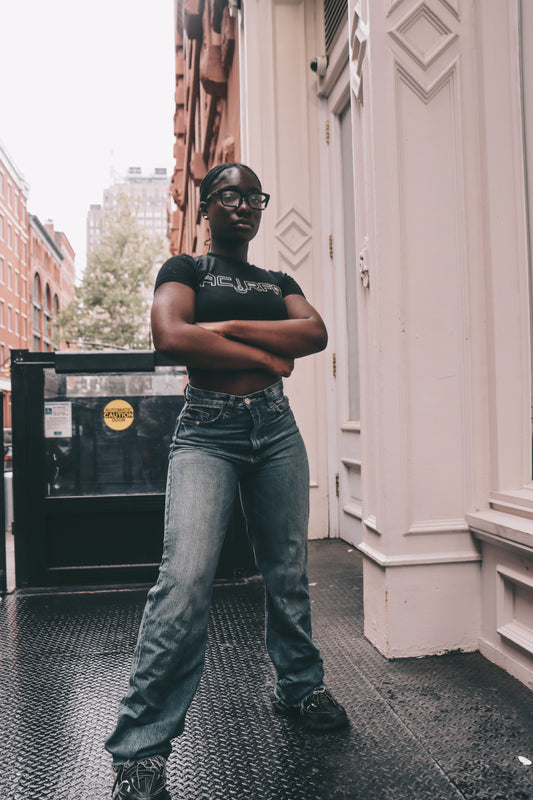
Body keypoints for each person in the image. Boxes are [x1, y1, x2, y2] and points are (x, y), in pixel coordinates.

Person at [105, 163, 348, 800]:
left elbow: (316, 332)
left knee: (288, 569)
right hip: (207, 430)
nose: (244, 206)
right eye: (230, 196)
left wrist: (228, 329)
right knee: (183, 580)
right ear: (206, 207)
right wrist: (270, 353)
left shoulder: (277, 280)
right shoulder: (183, 270)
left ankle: (299, 687)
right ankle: (141, 746)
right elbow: (168, 335)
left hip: (275, 429)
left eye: (254, 198)